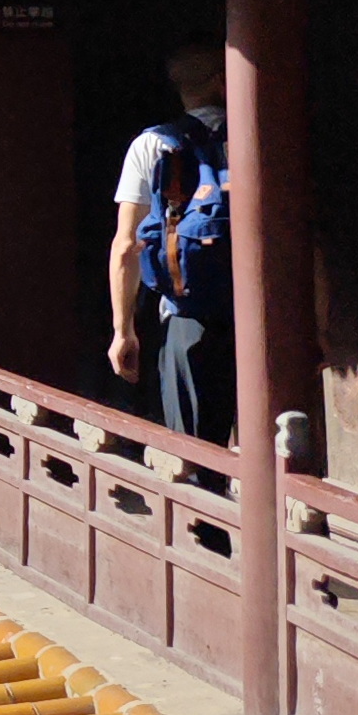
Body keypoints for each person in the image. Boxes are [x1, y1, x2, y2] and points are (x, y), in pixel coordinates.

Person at [112, 37, 234, 444]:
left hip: (187, 310)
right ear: (223, 80)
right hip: (265, 313)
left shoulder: (152, 144)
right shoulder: (262, 137)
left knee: (196, 446)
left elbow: (127, 244)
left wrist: (123, 329)